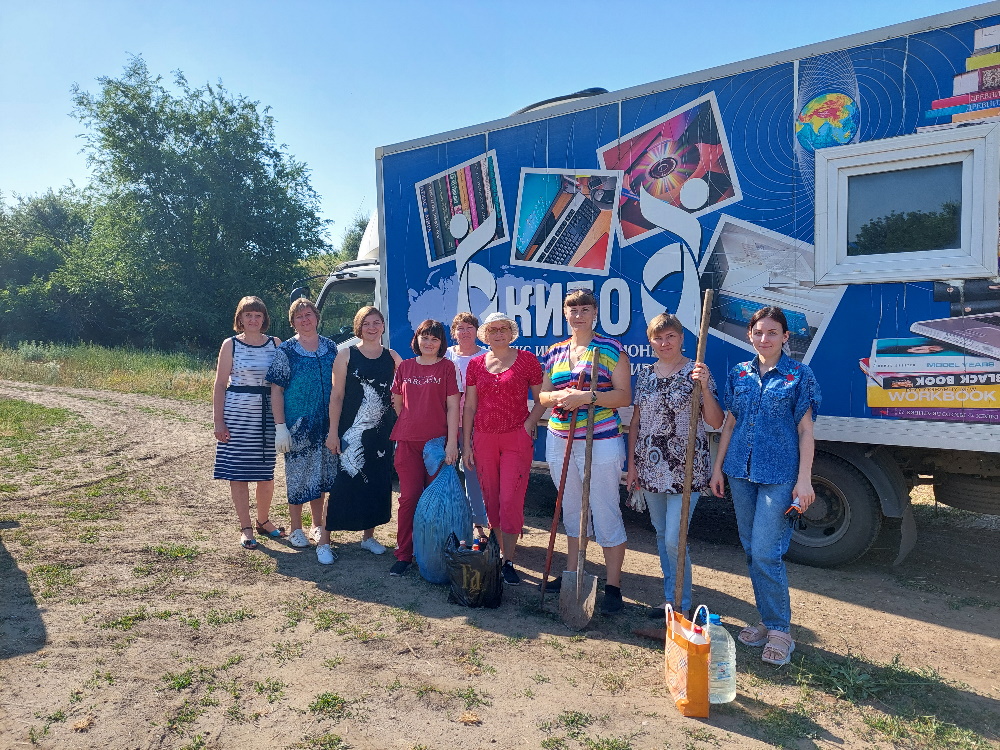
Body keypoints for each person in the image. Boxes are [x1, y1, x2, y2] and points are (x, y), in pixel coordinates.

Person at [709, 306, 821, 666]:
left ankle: (780, 631)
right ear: (749, 335)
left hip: (780, 475)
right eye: (758, 332)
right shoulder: (740, 373)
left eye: (772, 332)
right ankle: (768, 620)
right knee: (751, 550)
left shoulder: (799, 376)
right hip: (740, 472)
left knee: (765, 552)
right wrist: (717, 469)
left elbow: (806, 431)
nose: (764, 338)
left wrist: (804, 479)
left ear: (785, 337)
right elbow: (729, 424)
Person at [537, 289, 631, 613]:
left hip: (600, 439)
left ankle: (613, 587)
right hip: (560, 438)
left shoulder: (610, 349)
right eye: (573, 309)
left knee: (605, 510)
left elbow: (623, 396)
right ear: (565, 313)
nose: (578, 315)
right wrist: (559, 396)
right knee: (572, 509)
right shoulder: (555, 351)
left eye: (585, 309)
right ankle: (573, 574)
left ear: (594, 313)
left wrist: (587, 397)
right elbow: (543, 396)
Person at [625, 313, 723, 618]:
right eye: (658, 338)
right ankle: (670, 598)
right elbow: (636, 423)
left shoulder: (697, 372)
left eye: (670, 336)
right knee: (660, 534)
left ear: (681, 338)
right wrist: (632, 465)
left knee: (674, 540)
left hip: (686, 468)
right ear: (650, 342)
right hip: (650, 467)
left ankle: (681, 602)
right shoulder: (645, 375)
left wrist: (704, 387)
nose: (664, 343)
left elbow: (715, 421)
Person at [462, 311, 546, 585]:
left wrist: (529, 423)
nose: (498, 334)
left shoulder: (527, 360)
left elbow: (542, 398)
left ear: (511, 333)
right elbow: (470, 406)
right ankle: (497, 554)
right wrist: (467, 444)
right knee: (491, 499)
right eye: (493, 329)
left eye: (503, 329)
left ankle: (509, 560)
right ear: (485, 335)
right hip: (483, 438)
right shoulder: (475, 364)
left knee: (510, 499)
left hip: (515, 438)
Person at [323, 307, 402, 559]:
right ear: (359, 326)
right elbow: (336, 396)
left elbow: (401, 395)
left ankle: (368, 537)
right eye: (366, 323)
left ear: (383, 326)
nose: (372, 327)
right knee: (342, 484)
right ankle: (324, 541)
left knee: (377, 484)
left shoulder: (392, 357)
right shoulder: (346, 355)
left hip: (381, 434)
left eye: (376, 322)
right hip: (350, 431)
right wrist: (333, 432)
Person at [266, 298, 339, 561]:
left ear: (317, 317)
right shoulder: (286, 350)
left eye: (308, 314)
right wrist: (280, 427)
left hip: (326, 425)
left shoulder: (331, 347)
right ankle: (296, 528)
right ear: (292, 322)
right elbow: (276, 390)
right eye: (299, 317)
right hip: (297, 425)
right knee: (298, 476)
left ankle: (317, 525)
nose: (305, 319)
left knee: (321, 475)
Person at [388, 319, 460, 577]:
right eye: (425, 337)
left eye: (435, 339)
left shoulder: (447, 367)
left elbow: (453, 406)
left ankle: (434, 552)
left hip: (437, 445)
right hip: (407, 442)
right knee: (409, 498)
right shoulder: (405, 366)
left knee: (437, 502)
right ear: (417, 339)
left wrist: (451, 444)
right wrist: (411, 423)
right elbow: (397, 402)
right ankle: (404, 554)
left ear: (441, 343)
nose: (429, 343)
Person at [212, 296, 283, 549]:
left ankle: (263, 520)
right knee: (238, 474)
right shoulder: (230, 344)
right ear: (240, 318)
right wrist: (218, 422)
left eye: (258, 315)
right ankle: (246, 527)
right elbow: (220, 384)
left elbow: (281, 383)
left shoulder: (276, 343)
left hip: (267, 417)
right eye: (248, 315)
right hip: (236, 416)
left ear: (264, 319)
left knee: (266, 474)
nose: (253, 319)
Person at [444, 313, 489, 538]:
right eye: (460, 328)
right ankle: (447, 520)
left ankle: (478, 523)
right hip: (447, 423)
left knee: (473, 472)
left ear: (477, 331)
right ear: (454, 333)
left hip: (475, 424)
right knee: (445, 472)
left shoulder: (486, 356)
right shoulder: (446, 355)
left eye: (469, 327)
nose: (465, 332)